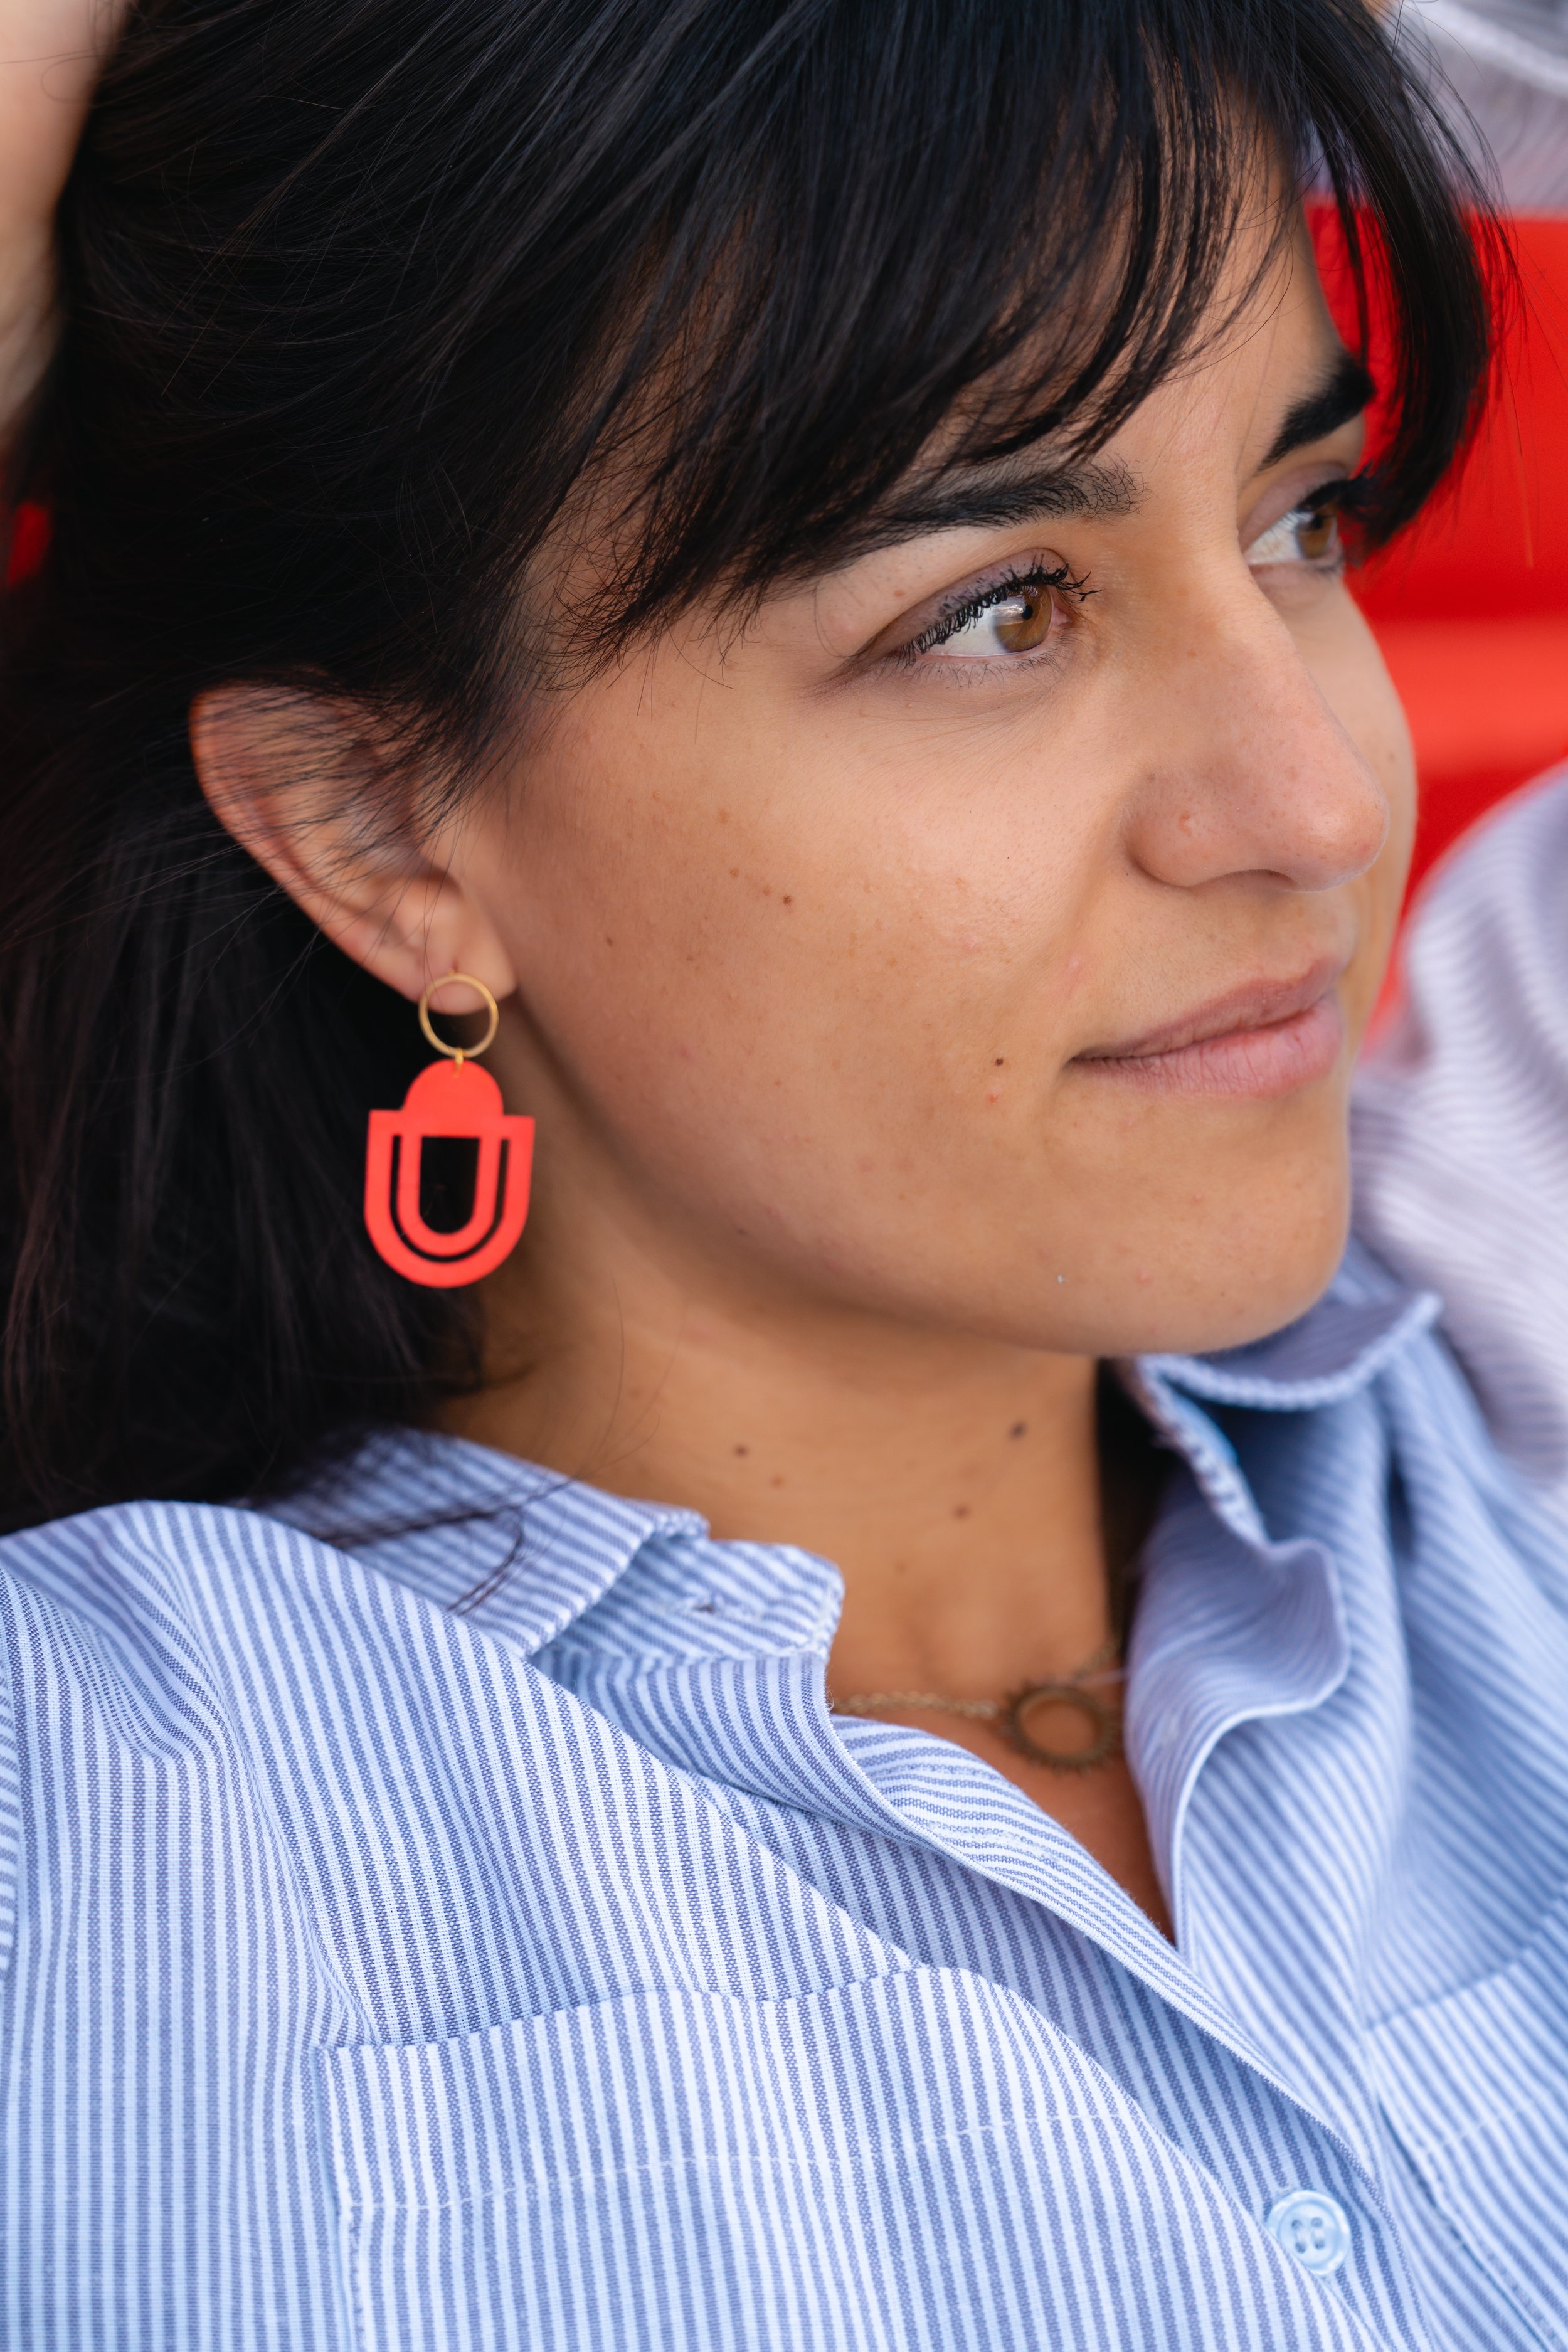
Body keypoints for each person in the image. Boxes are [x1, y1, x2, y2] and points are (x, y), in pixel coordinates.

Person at [0, 3, 1557, 2346]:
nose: (1317, 806)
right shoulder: (93, 1816)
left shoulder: (1504, 1350)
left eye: (1298, 518)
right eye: (997, 611)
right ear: (376, 826)